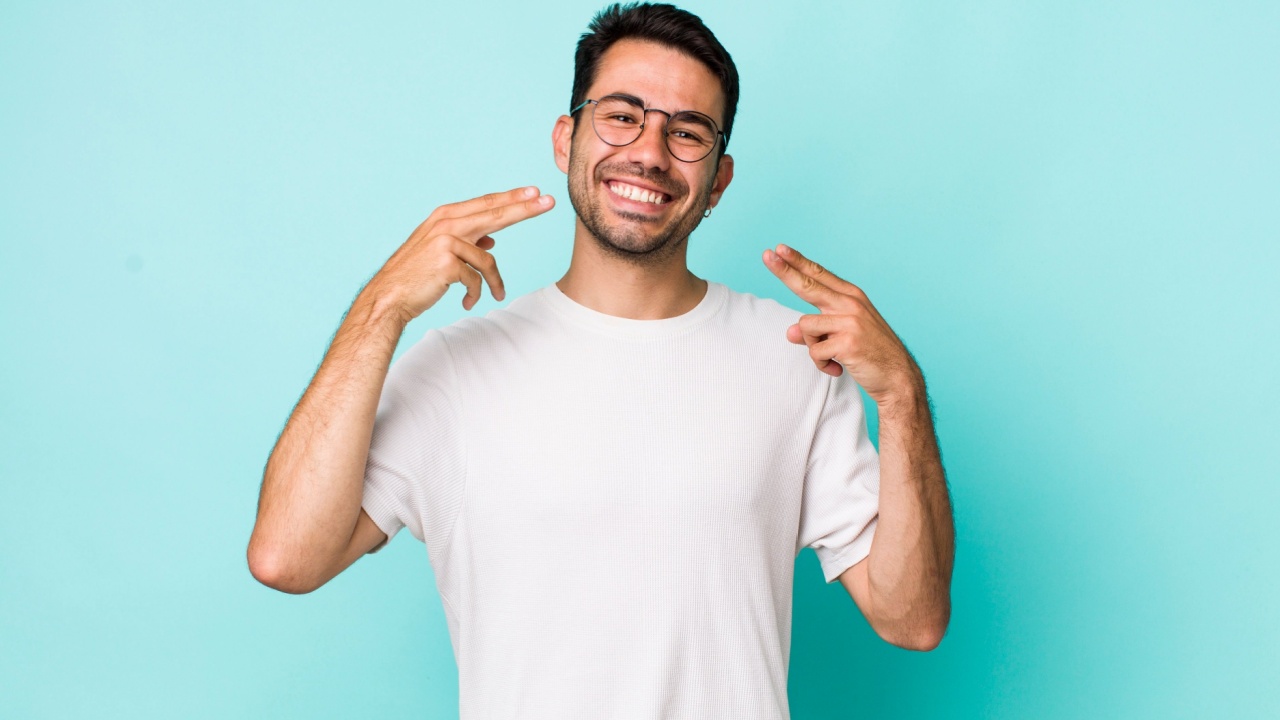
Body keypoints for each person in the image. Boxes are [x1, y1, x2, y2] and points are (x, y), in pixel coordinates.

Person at [248, 2, 954, 717]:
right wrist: (382, 310)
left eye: (687, 133)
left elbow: (912, 619)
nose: (649, 152)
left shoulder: (797, 361)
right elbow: (286, 558)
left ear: (719, 180)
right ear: (567, 139)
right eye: (621, 115)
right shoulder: (456, 370)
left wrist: (902, 395)